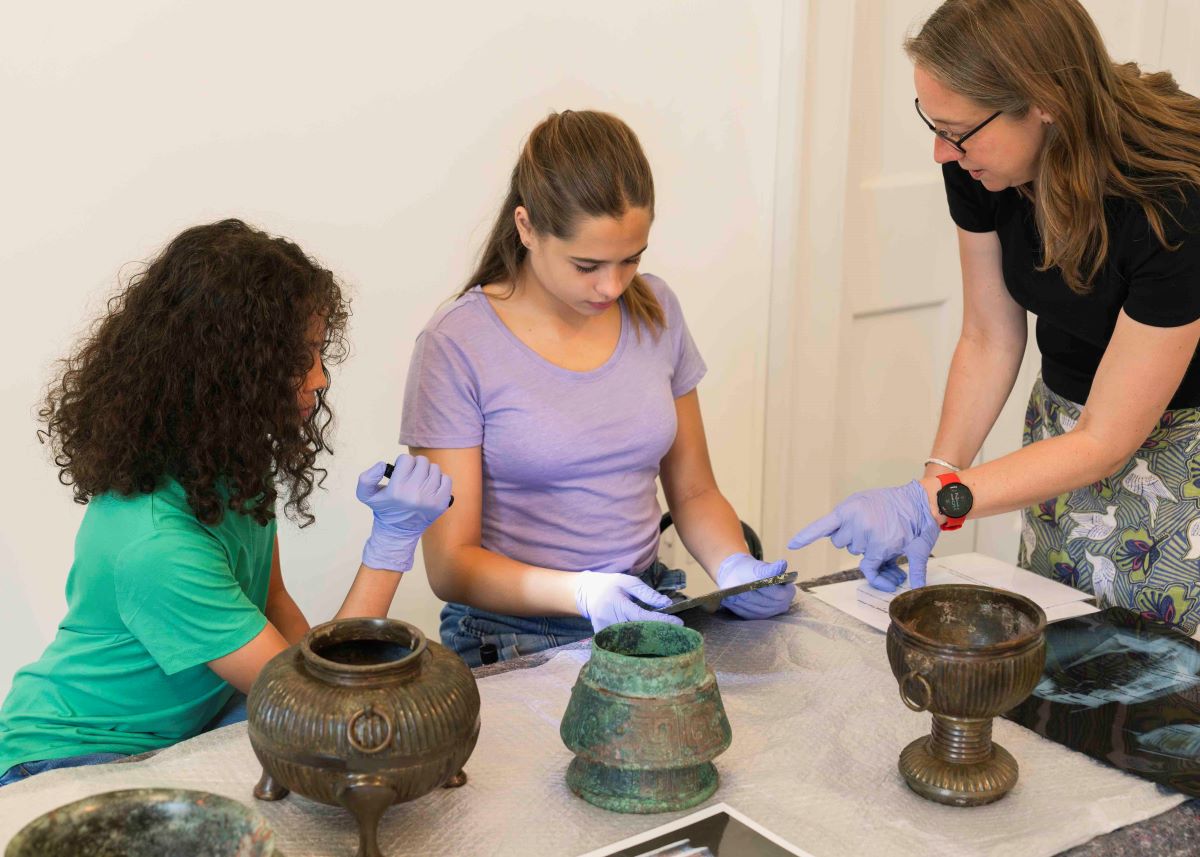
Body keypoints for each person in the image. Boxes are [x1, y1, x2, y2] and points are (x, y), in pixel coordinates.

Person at [789, 0, 1200, 637]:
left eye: (956, 130)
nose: (939, 153)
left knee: (1167, 685)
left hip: (1182, 456)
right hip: (1064, 433)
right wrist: (938, 479)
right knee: (1067, 653)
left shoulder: (1174, 203)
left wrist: (934, 505)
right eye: (932, 123)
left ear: (1045, 101)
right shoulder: (983, 166)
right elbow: (987, 336)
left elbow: (1107, 440)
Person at [0, 220, 451, 785]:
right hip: (66, 759)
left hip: (191, 724)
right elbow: (313, 705)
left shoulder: (228, 471)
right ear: (227, 376)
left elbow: (281, 617)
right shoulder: (157, 545)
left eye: (317, 352)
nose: (319, 378)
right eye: (298, 360)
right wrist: (391, 544)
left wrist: (322, 678)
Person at [401, 110, 796, 666]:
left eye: (631, 259)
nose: (612, 285)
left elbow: (694, 492)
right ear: (526, 227)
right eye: (587, 264)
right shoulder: (457, 344)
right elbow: (451, 564)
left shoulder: (656, 311)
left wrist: (734, 568)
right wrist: (582, 592)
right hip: (513, 634)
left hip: (647, 604)